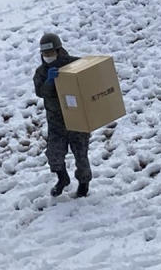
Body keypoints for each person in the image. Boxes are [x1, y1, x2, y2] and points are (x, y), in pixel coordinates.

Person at [33, 33, 92, 198]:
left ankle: (83, 184)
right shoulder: (41, 72)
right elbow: (40, 92)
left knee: (81, 156)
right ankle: (62, 178)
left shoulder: (75, 64)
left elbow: (90, 78)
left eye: (50, 53)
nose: (48, 57)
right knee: (54, 154)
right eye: (45, 54)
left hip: (77, 120)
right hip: (56, 123)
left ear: (58, 50)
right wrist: (49, 82)